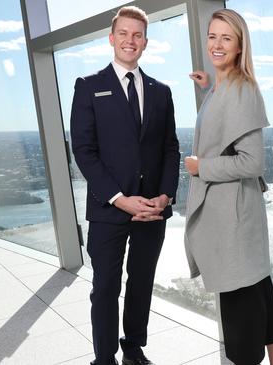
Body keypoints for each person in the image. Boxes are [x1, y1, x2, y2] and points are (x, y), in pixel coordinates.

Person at [70, 5, 179, 365]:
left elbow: (169, 149)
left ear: (145, 42)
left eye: (137, 35)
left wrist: (164, 196)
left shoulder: (161, 91)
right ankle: (104, 358)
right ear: (111, 38)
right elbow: (84, 151)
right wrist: (119, 199)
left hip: (151, 209)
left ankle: (133, 347)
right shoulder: (89, 86)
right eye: (124, 33)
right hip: (108, 208)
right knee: (105, 288)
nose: (130, 40)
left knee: (141, 282)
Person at [184, 8, 273, 365]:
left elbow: (251, 162)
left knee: (240, 319)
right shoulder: (224, 87)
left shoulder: (241, 90)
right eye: (212, 36)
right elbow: (227, 125)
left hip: (232, 222)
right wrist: (208, 88)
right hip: (237, 215)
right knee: (258, 289)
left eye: (226, 38)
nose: (216, 44)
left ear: (240, 46)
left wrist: (201, 167)